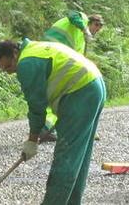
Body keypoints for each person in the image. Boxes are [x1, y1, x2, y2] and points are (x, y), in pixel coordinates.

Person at [0, 39, 105, 204]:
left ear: (15, 53)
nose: (9, 72)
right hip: (94, 85)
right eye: (4, 70)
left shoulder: (26, 63)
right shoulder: (35, 49)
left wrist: (32, 140)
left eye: (8, 66)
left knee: (66, 157)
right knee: (78, 156)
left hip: (80, 92)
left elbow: (37, 106)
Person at [40, 12, 104, 142]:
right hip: (49, 53)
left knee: (57, 94)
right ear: (91, 22)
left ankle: (47, 127)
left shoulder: (81, 40)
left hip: (57, 61)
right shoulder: (81, 19)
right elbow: (72, 15)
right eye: (95, 26)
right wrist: (84, 28)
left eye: (98, 29)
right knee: (56, 93)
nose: (95, 31)